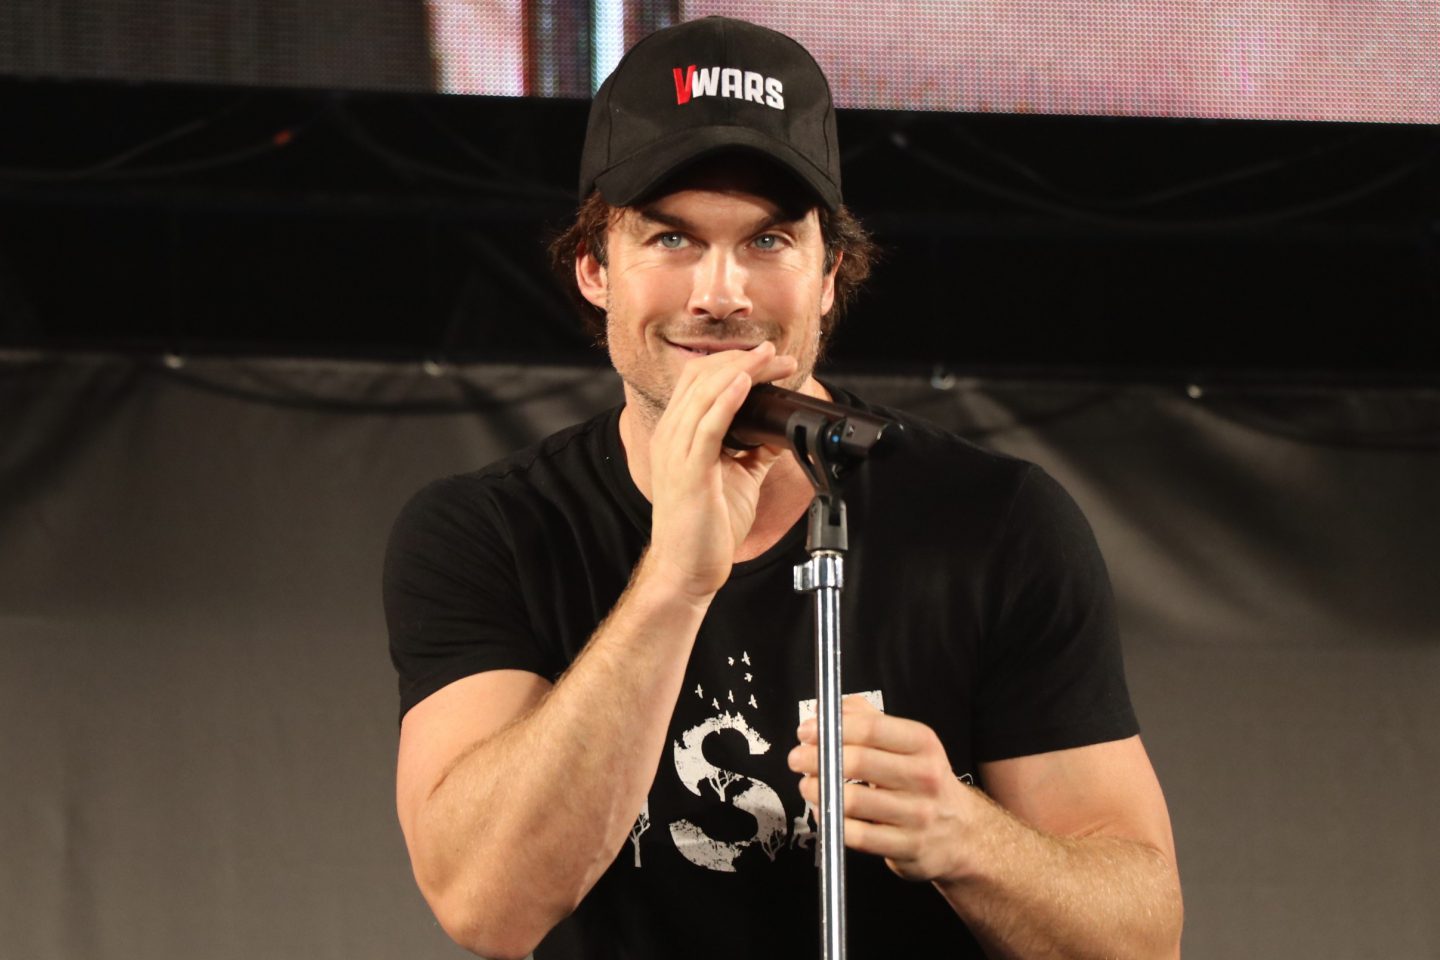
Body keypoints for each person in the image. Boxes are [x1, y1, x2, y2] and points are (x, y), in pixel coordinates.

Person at [385, 16, 1182, 960]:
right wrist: (676, 580)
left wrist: (969, 838)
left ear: (830, 273)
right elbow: (485, 905)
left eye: (767, 241)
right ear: (595, 270)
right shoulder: (491, 529)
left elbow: (1142, 935)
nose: (720, 293)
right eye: (672, 238)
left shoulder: (995, 521)